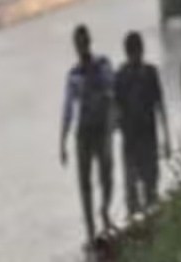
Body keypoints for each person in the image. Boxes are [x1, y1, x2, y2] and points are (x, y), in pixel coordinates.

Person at [60, 24, 115, 242]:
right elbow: (67, 109)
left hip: (101, 129)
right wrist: (62, 141)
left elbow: (113, 94)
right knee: (85, 183)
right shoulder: (73, 75)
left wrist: (114, 123)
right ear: (75, 46)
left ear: (88, 42)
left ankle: (104, 210)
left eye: (83, 42)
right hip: (84, 132)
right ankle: (91, 230)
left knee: (107, 176)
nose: (81, 47)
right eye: (78, 43)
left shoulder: (103, 66)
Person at [114, 32, 170, 216]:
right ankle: (139, 227)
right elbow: (116, 109)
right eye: (134, 52)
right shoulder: (121, 77)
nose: (137, 56)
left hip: (145, 139)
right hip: (133, 142)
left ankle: (149, 226)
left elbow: (160, 106)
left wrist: (166, 138)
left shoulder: (149, 73)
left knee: (150, 186)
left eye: (137, 52)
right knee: (133, 192)